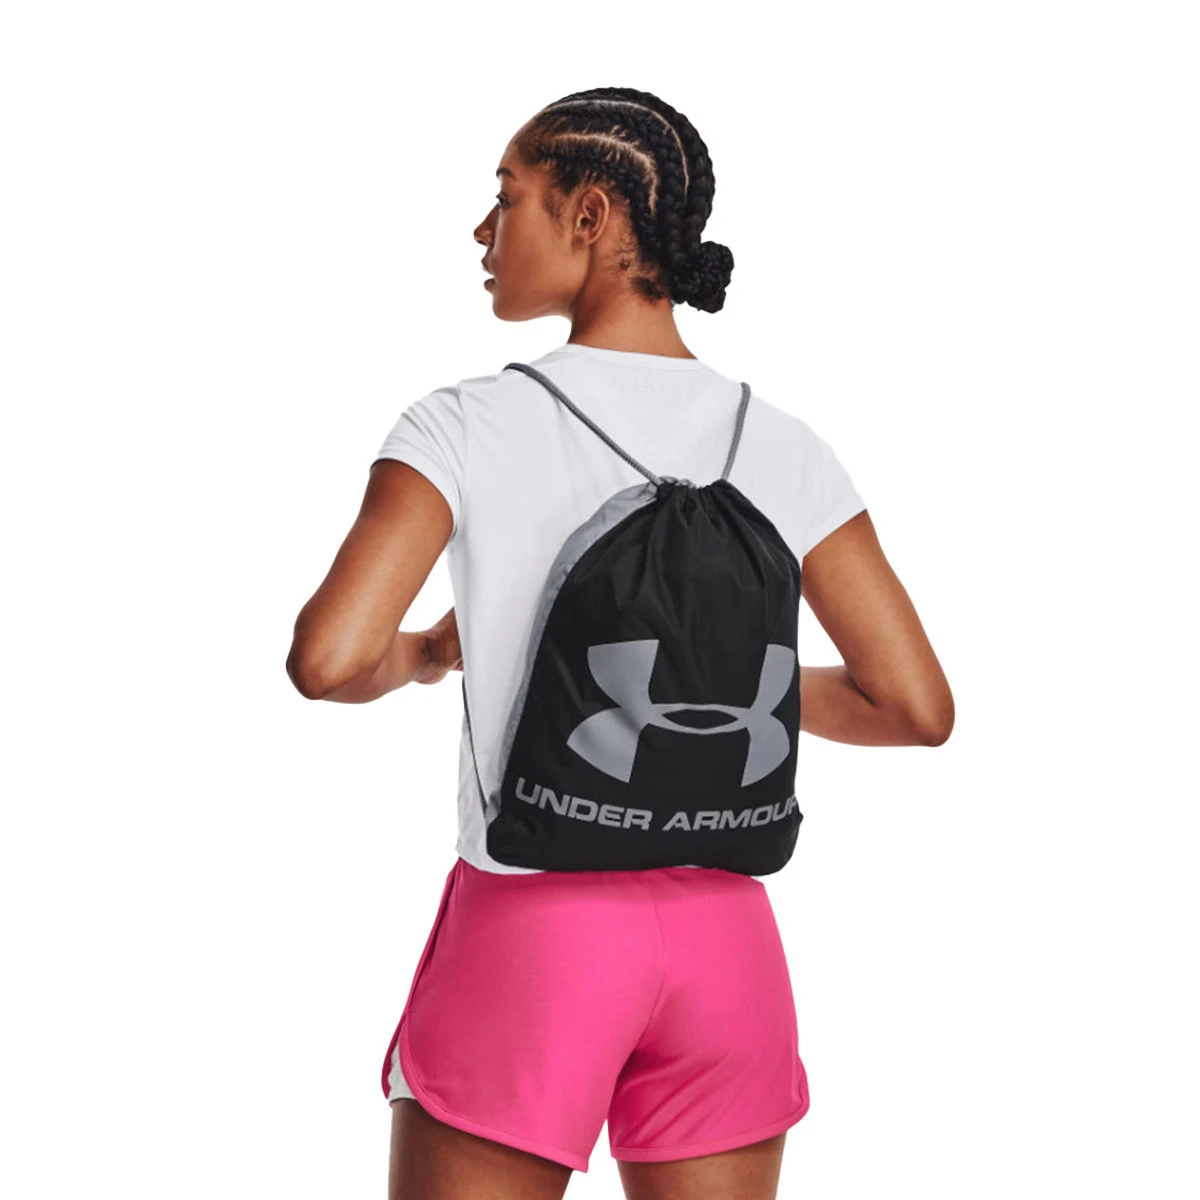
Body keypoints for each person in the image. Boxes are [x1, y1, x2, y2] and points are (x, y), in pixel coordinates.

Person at [287, 86, 954, 1200]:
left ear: (590, 215)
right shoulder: (784, 443)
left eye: (507, 198)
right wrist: (711, 696)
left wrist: (425, 656)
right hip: (730, 948)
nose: (483, 230)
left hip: (533, 935)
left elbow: (329, 658)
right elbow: (914, 707)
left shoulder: (463, 423)